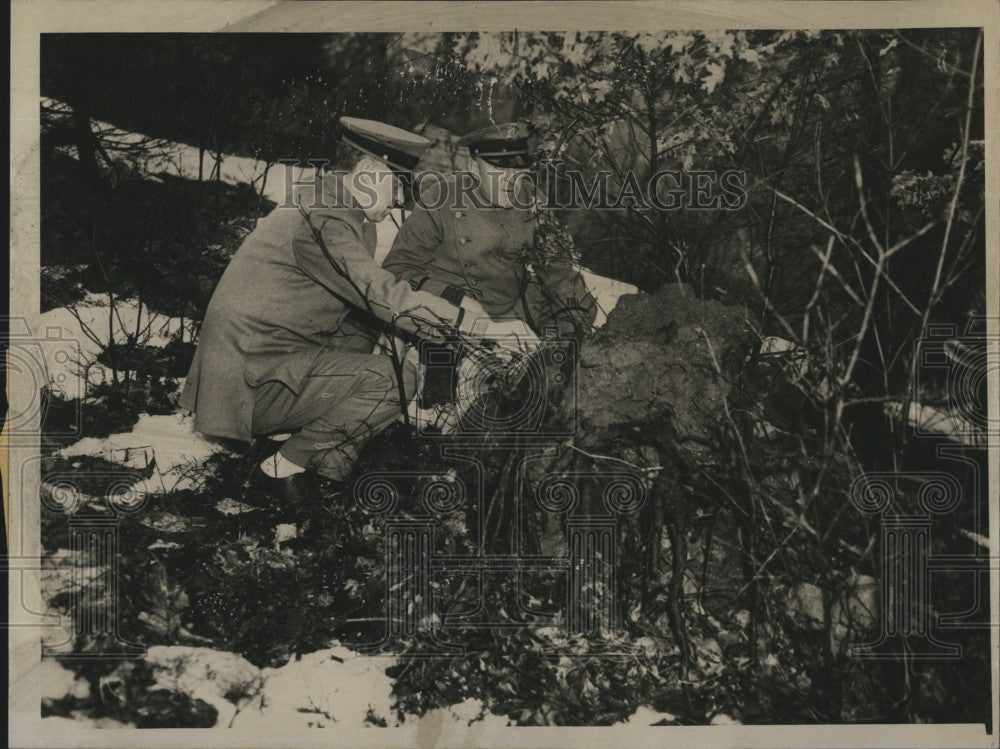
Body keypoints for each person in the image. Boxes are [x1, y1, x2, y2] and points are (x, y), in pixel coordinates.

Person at [179, 117, 521, 503]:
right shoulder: (326, 219)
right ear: (369, 173)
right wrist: (473, 325)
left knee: (371, 349)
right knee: (394, 381)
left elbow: (358, 307)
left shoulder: (332, 205)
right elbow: (381, 294)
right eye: (399, 184)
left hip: (260, 365)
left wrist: (405, 329)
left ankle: (328, 476)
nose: (399, 199)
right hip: (249, 384)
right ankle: (279, 471)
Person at [382, 121, 597, 341]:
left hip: (510, 314)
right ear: (474, 169)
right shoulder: (441, 197)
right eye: (499, 168)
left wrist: (573, 325)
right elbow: (397, 269)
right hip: (449, 316)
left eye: (518, 168)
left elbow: (558, 271)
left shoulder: (533, 201)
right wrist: (451, 297)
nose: (510, 179)